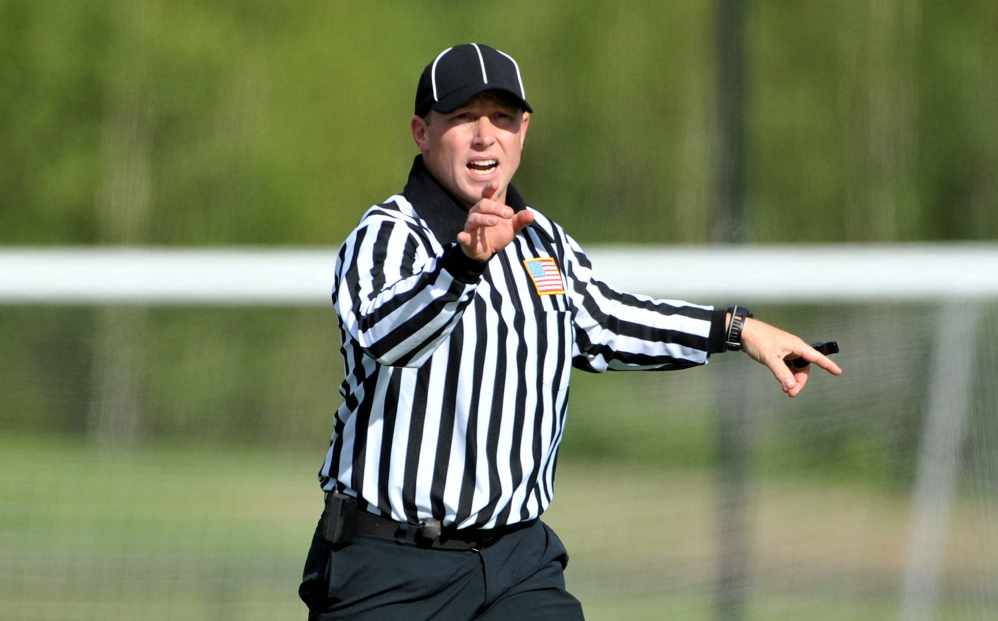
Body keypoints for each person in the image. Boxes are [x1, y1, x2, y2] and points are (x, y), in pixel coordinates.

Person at [299, 43, 842, 621]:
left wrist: (737, 330)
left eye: (502, 118)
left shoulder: (543, 242)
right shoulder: (386, 235)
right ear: (421, 132)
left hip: (517, 563)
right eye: (462, 118)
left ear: (523, 130)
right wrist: (462, 267)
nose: (486, 136)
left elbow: (604, 321)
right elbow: (387, 338)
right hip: (392, 564)